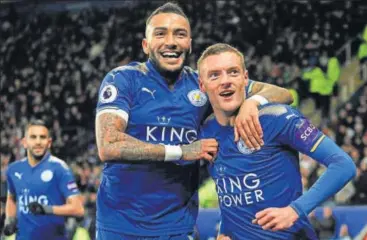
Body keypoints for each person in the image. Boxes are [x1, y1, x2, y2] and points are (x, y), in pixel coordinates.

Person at [95, 2, 293, 239]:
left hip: (178, 227)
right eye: (161, 34)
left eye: (180, 34)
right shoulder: (123, 79)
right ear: (146, 45)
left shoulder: (201, 84)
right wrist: (181, 151)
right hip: (120, 225)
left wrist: (253, 102)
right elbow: (108, 145)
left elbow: (284, 94)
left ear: (189, 43)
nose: (171, 41)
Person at [198, 43, 356, 240]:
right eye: (215, 75)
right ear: (202, 85)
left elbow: (343, 165)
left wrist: (295, 210)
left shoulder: (278, 117)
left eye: (233, 72)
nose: (226, 81)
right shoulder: (206, 131)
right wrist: (224, 231)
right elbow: (230, 195)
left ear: (245, 78)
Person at [3, 120, 84, 240]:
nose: (38, 142)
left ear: (49, 142)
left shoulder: (60, 168)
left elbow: (78, 209)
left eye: (42, 137)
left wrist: (47, 209)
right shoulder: (13, 169)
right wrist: (10, 219)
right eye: (33, 137)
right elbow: (11, 198)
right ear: (24, 142)